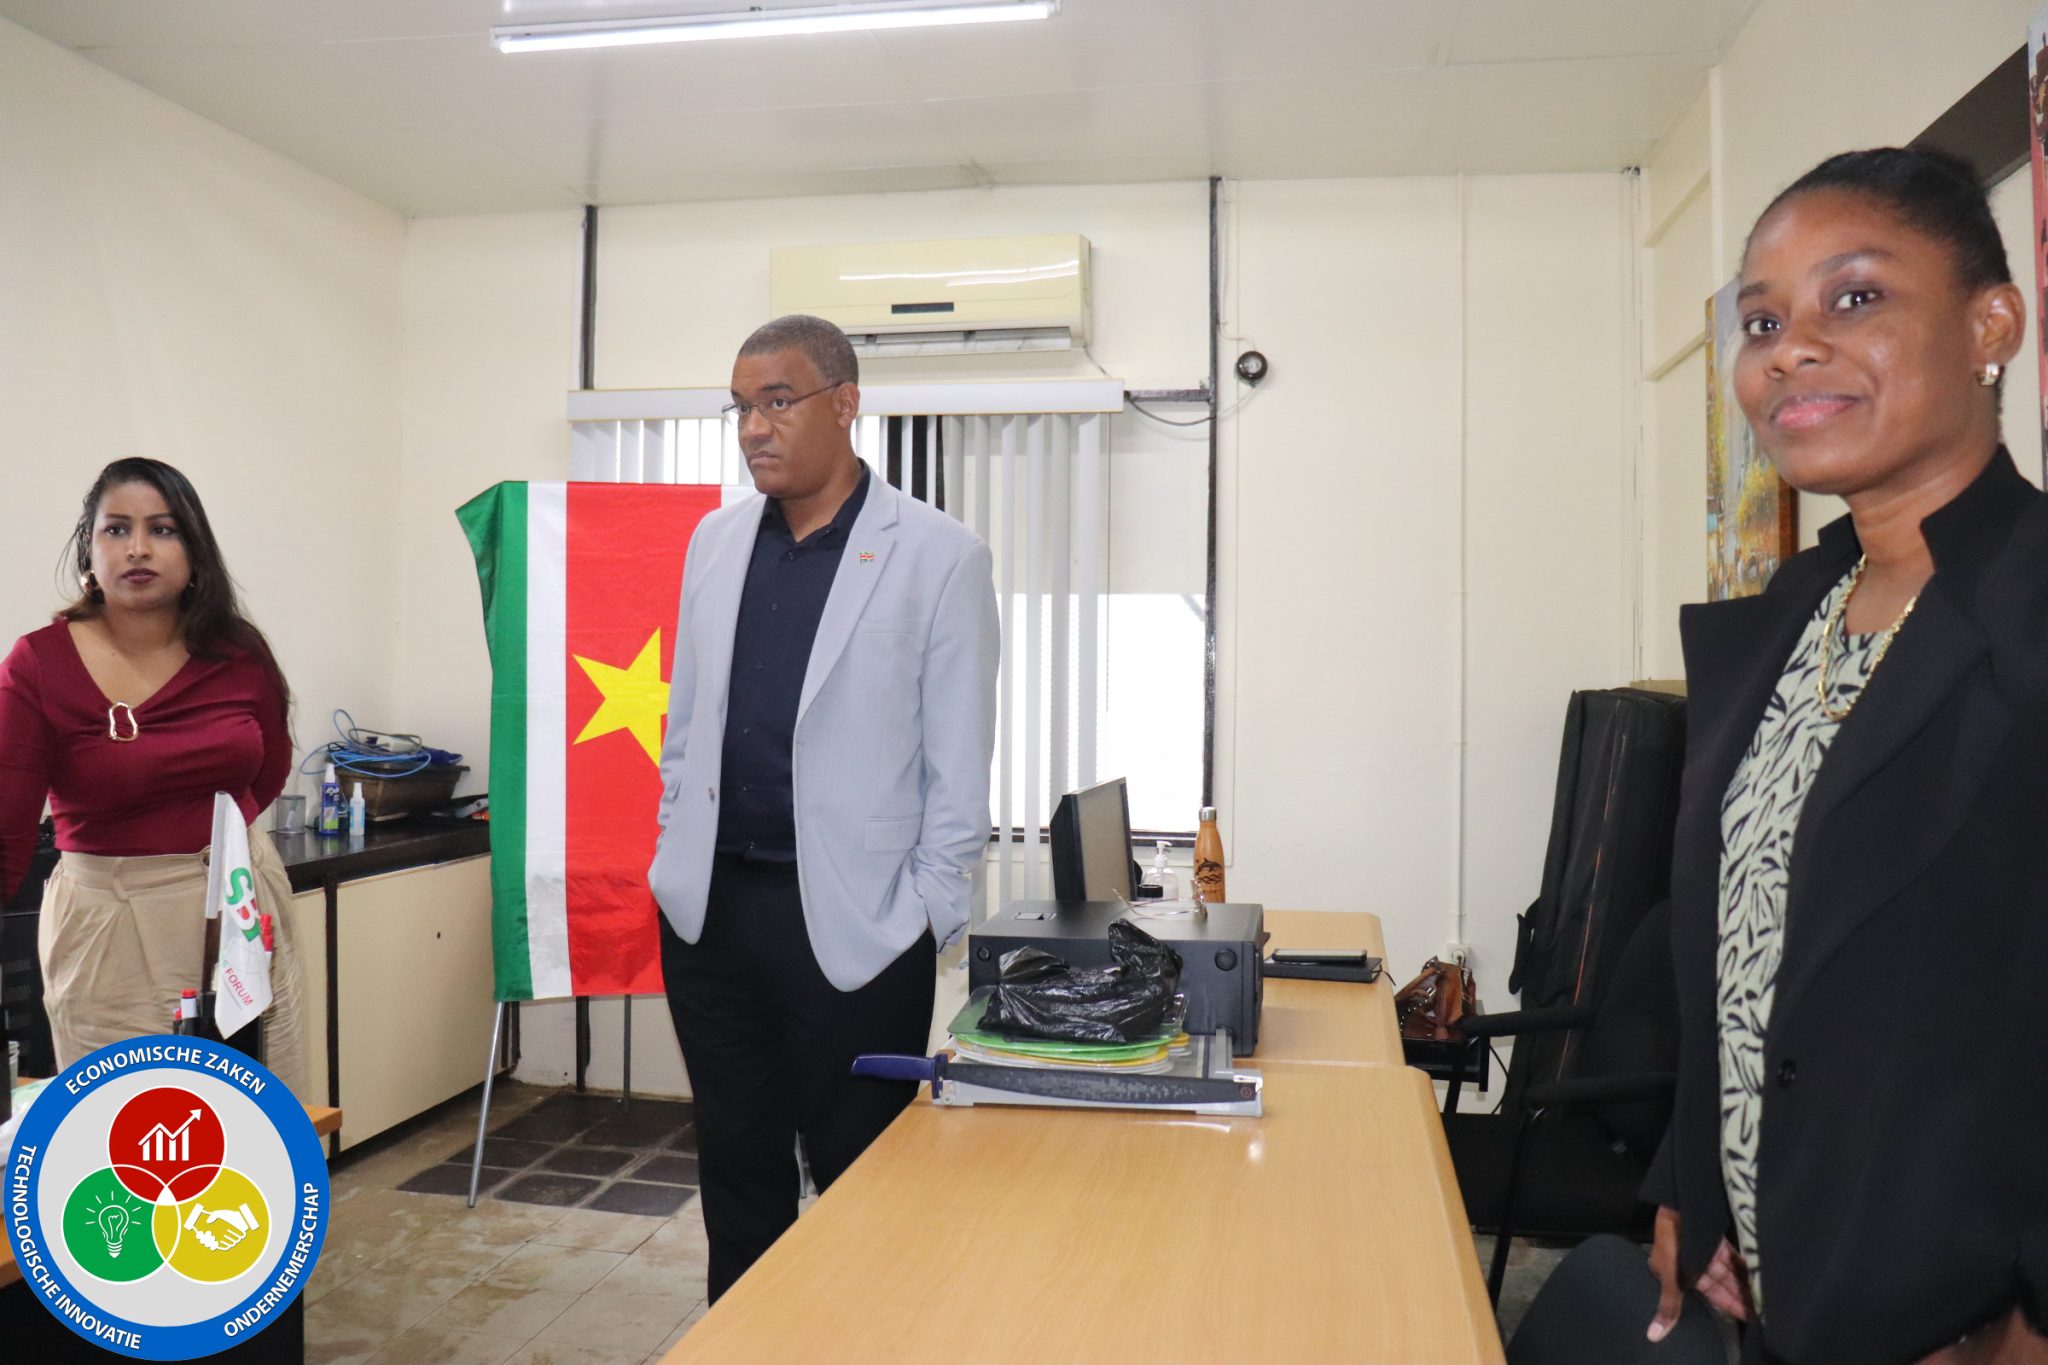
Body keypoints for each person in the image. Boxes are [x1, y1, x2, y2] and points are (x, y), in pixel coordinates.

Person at [1644, 147, 2048, 1364]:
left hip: (1956, 1313)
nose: (1787, 351)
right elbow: (1739, 951)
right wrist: (1691, 1183)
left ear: (1989, 325)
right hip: (1780, 1286)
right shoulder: (1788, 616)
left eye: (1853, 298)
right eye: (1762, 322)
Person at [647, 314, 999, 1300]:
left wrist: (926, 912)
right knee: (737, 1175)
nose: (754, 428)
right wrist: (672, 854)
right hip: (713, 916)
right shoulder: (715, 543)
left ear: (845, 404)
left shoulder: (939, 555)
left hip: (857, 925)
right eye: (740, 408)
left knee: (864, 1183)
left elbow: (958, 770)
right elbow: (686, 726)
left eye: (777, 401)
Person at [0, 458, 309, 1098]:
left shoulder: (239, 652)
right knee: (131, 1127)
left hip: (241, 912)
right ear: (89, 552)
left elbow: (268, 769)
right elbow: (6, 830)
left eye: (162, 530)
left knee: (257, 1121)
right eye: (116, 529)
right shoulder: (40, 663)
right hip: (110, 927)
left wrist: (210, 859)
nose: (138, 548)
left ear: (195, 553)